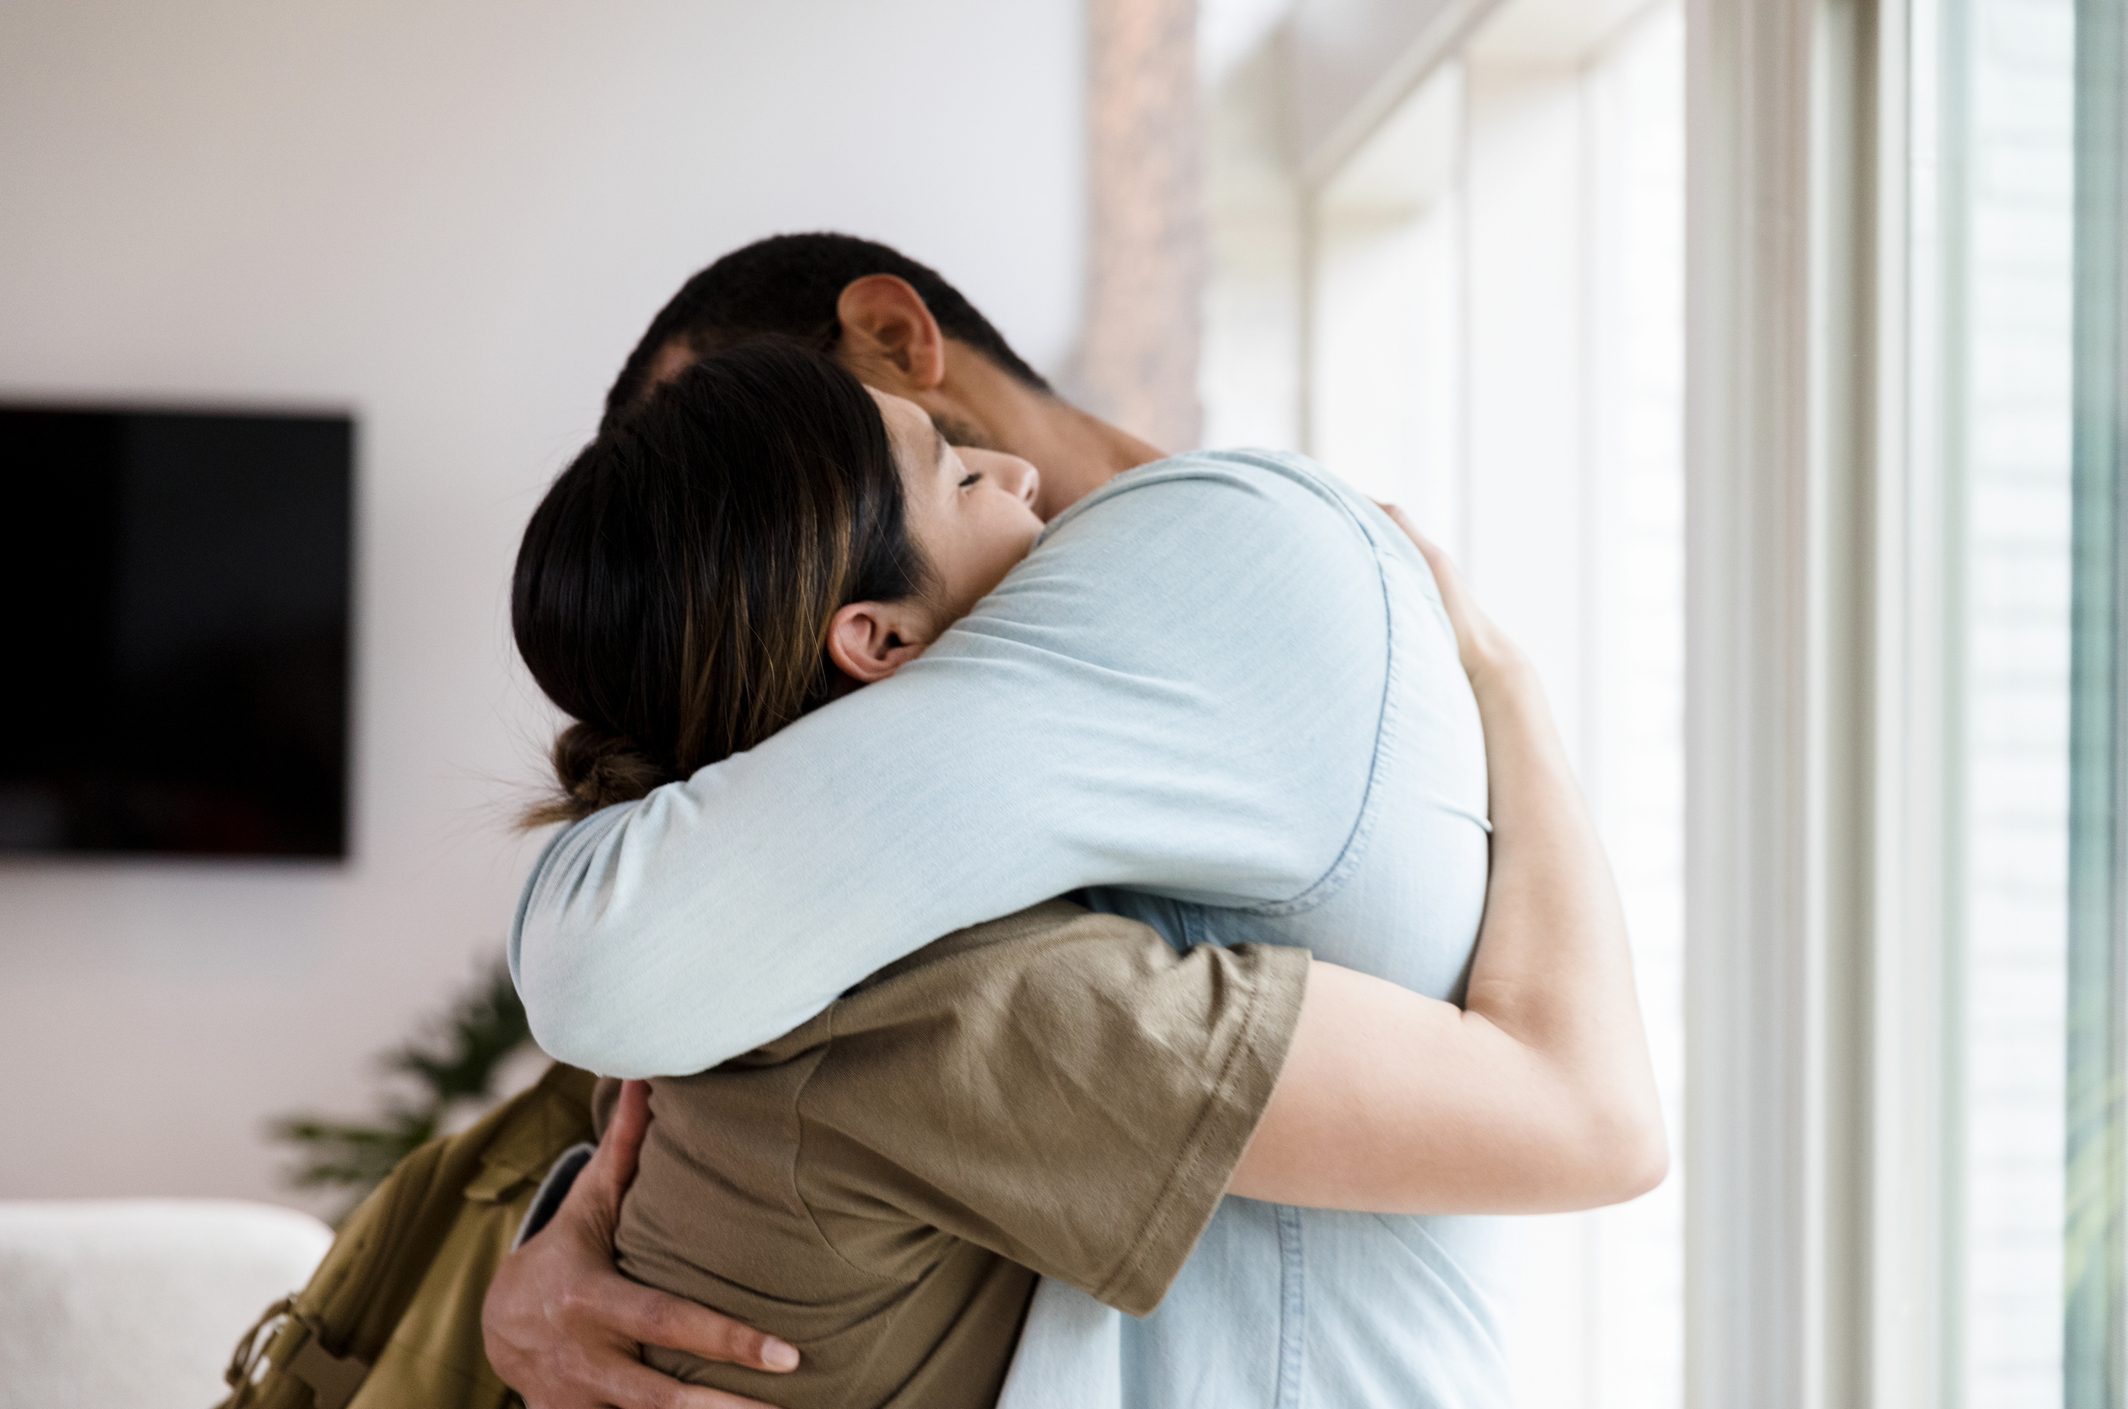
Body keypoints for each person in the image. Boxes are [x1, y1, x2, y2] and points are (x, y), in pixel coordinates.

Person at [487, 234, 1665, 1409]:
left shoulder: (787, 945)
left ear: (899, 342)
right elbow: (1589, 1120)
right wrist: (1512, 687)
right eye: (955, 475)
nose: (1012, 476)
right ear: (872, 638)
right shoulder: (953, 1004)